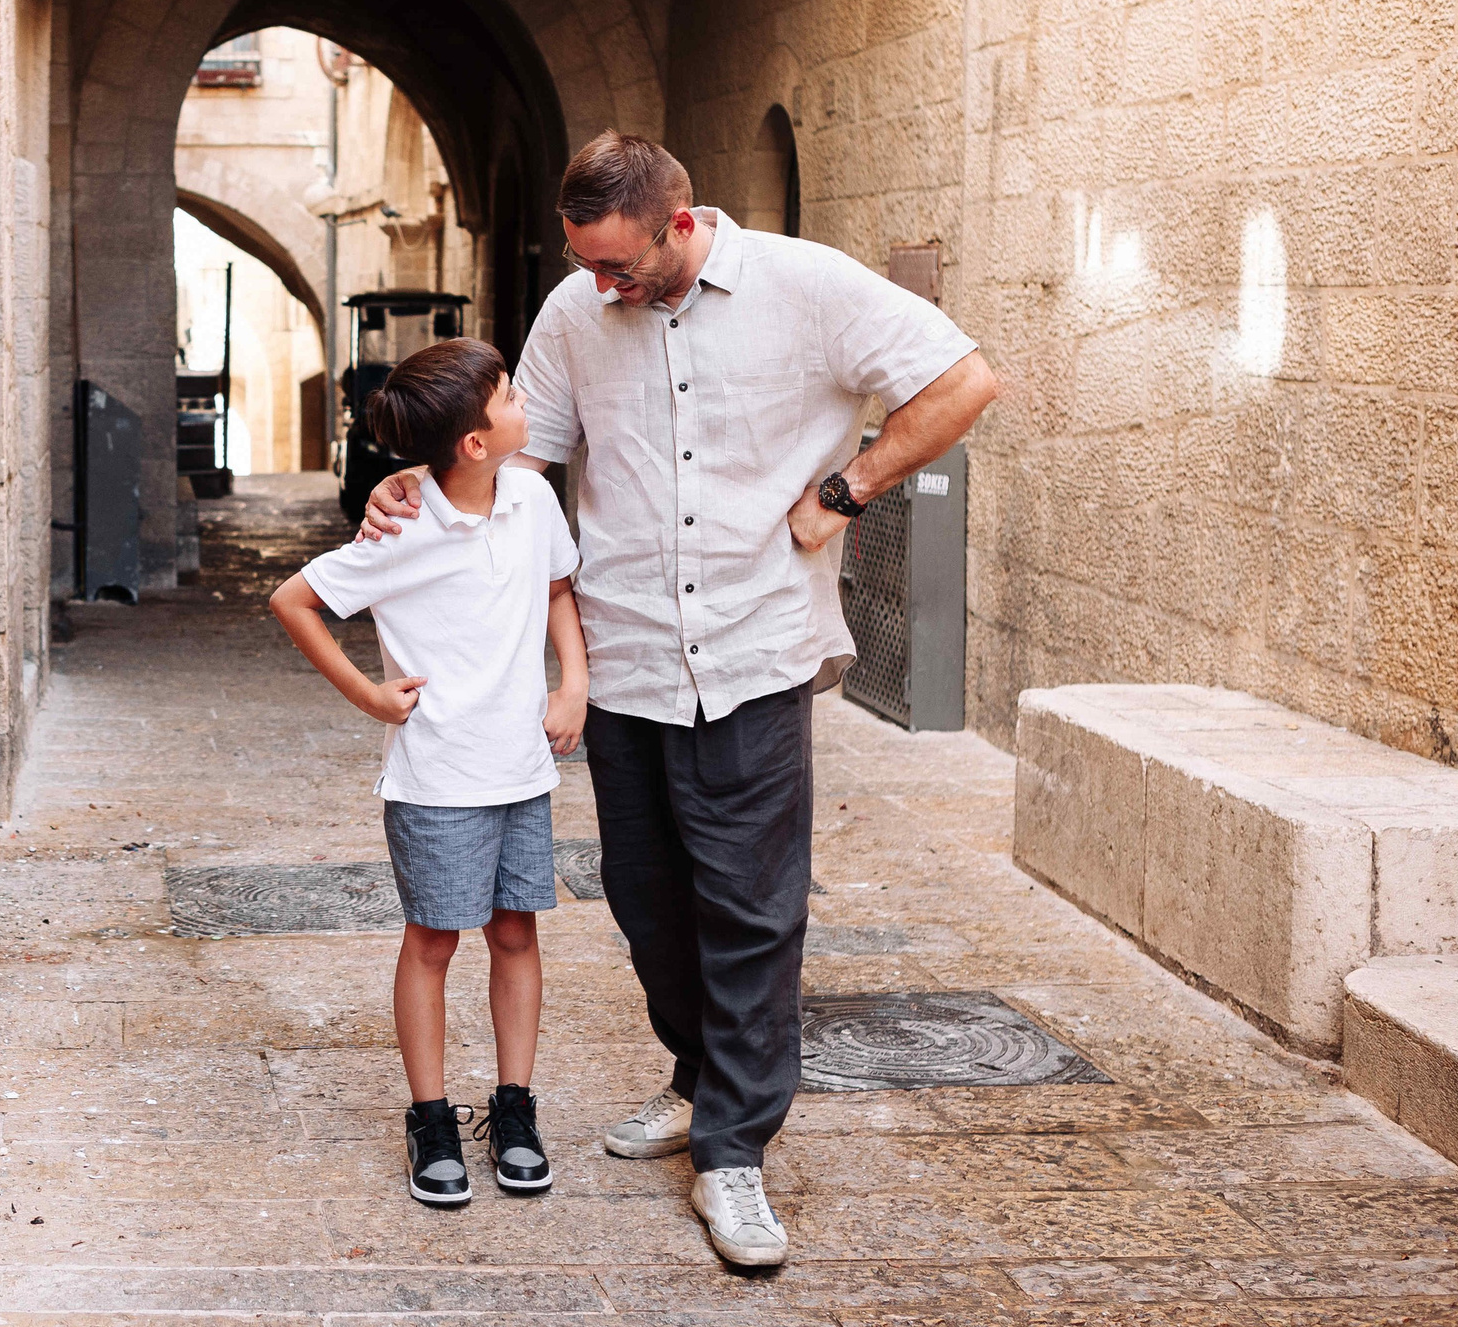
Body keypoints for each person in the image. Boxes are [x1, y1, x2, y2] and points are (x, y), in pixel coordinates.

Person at [360, 132, 999, 1265]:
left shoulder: (807, 285)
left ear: (681, 222)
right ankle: (700, 1078)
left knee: (751, 907)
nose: (600, 284)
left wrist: (849, 488)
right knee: (648, 897)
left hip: (756, 649)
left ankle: (735, 1148)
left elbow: (963, 381)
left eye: (619, 264)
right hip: (627, 657)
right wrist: (416, 485)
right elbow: (515, 463)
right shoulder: (576, 312)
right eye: (585, 262)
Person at [268, 337, 588, 1208]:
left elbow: (558, 589)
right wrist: (369, 695)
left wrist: (574, 683)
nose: (525, 402)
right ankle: (432, 1118)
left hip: (520, 770)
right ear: (475, 442)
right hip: (437, 778)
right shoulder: (401, 528)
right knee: (434, 942)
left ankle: (515, 1108)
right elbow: (294, 599)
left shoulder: (532, 497)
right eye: (510, 394)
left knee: (516, 933)